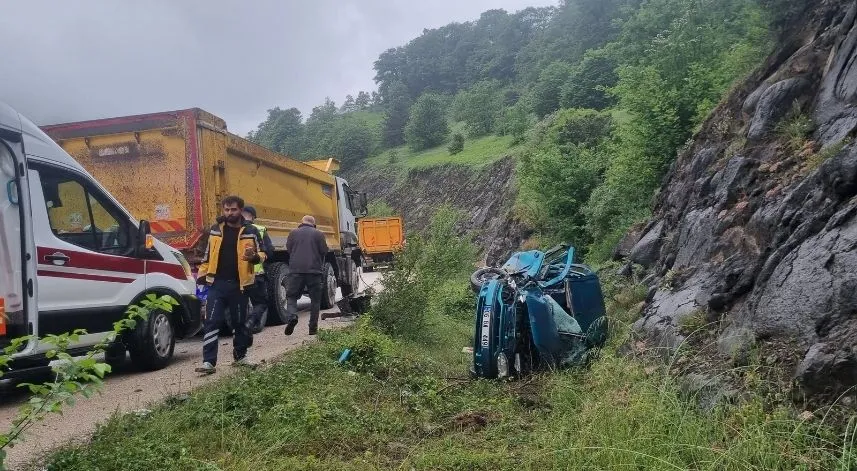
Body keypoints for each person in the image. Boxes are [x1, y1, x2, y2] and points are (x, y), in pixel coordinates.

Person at [194, 195, 266, 374]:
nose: (229, 213)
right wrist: (202, 275)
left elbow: (263, 253)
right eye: (226, 210)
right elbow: (207, 255)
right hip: (217, 284)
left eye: (233, 209)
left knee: (239, 322)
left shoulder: (251, 231)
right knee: (212, 321)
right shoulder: (215, 230)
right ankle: (208, 362)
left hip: (240, 285)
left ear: (241, 210)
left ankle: (241, 357)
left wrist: (254, 257)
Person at [284, 215, 328, 336]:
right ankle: (312, 329)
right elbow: (324, 251)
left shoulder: (293, 233)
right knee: (315, 300)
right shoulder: (319, 234)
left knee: (291, 296)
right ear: (313, 224)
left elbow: (289, 249)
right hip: (314, 271)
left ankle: (292, 317)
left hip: (296, 271)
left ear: (302, 222)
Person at [241, 205, 274, 333]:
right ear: (253, 217)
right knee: (260, 303)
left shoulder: (230, 230)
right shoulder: (259, 229)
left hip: (238, 275)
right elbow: (269, 251)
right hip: (256, 274)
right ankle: (251, 324)